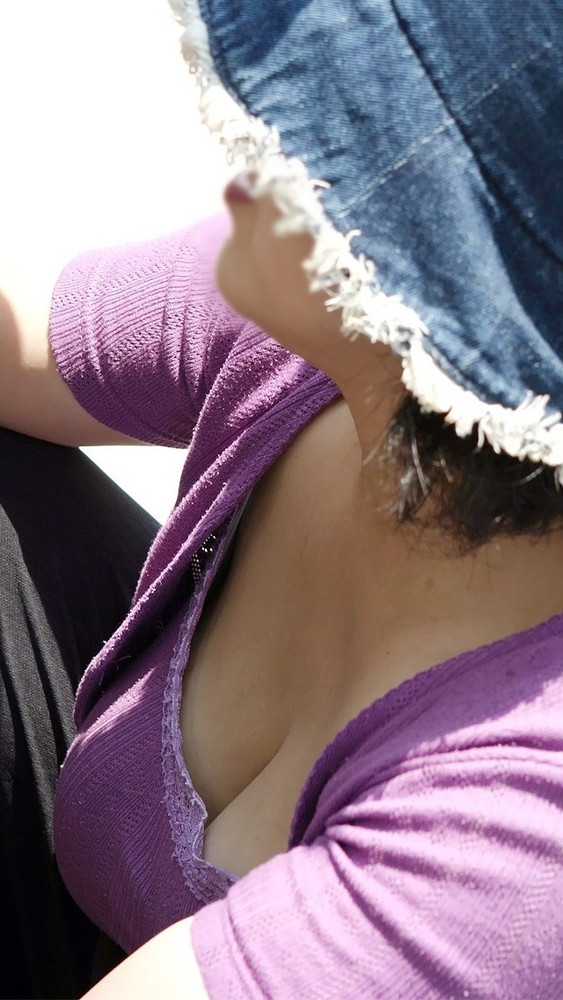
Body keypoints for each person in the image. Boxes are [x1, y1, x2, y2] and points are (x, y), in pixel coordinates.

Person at [1, 1, 562, 998]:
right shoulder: (332, 339)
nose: (257, 134)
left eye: (349, 135)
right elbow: (22, 344)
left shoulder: (516, 835)